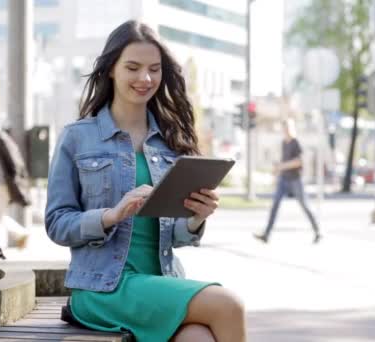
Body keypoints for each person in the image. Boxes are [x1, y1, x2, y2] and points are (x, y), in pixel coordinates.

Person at [45, 20, 246, 342]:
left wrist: (196, 218)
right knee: (228, 305)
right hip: (103, 287)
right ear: (111, 69)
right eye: (133, 68)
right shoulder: (77, 137)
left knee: (198, 339)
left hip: (161, 281)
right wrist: (111, 215)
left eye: (154, 69)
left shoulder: (171, 141)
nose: (145, 79)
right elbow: (57, 223)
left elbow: (174, 235)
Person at [253, 118, 322, 244]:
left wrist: (281, 166)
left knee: (305, 206)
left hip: (295, 180)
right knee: (275, 206)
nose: (286, 130)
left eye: (288, 128)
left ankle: (317, 231)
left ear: (292, 128)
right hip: (284, 179)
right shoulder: (284, 143)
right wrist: (277, 171)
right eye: (284, 128)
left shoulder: (296, 143)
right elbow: (283, 162)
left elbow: (298, 162)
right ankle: (266, 234)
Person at [0, 113, 31, 250]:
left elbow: (14, 162)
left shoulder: (1, 139)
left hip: (1, 185)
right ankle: (21, 233)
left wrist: (13, 181)